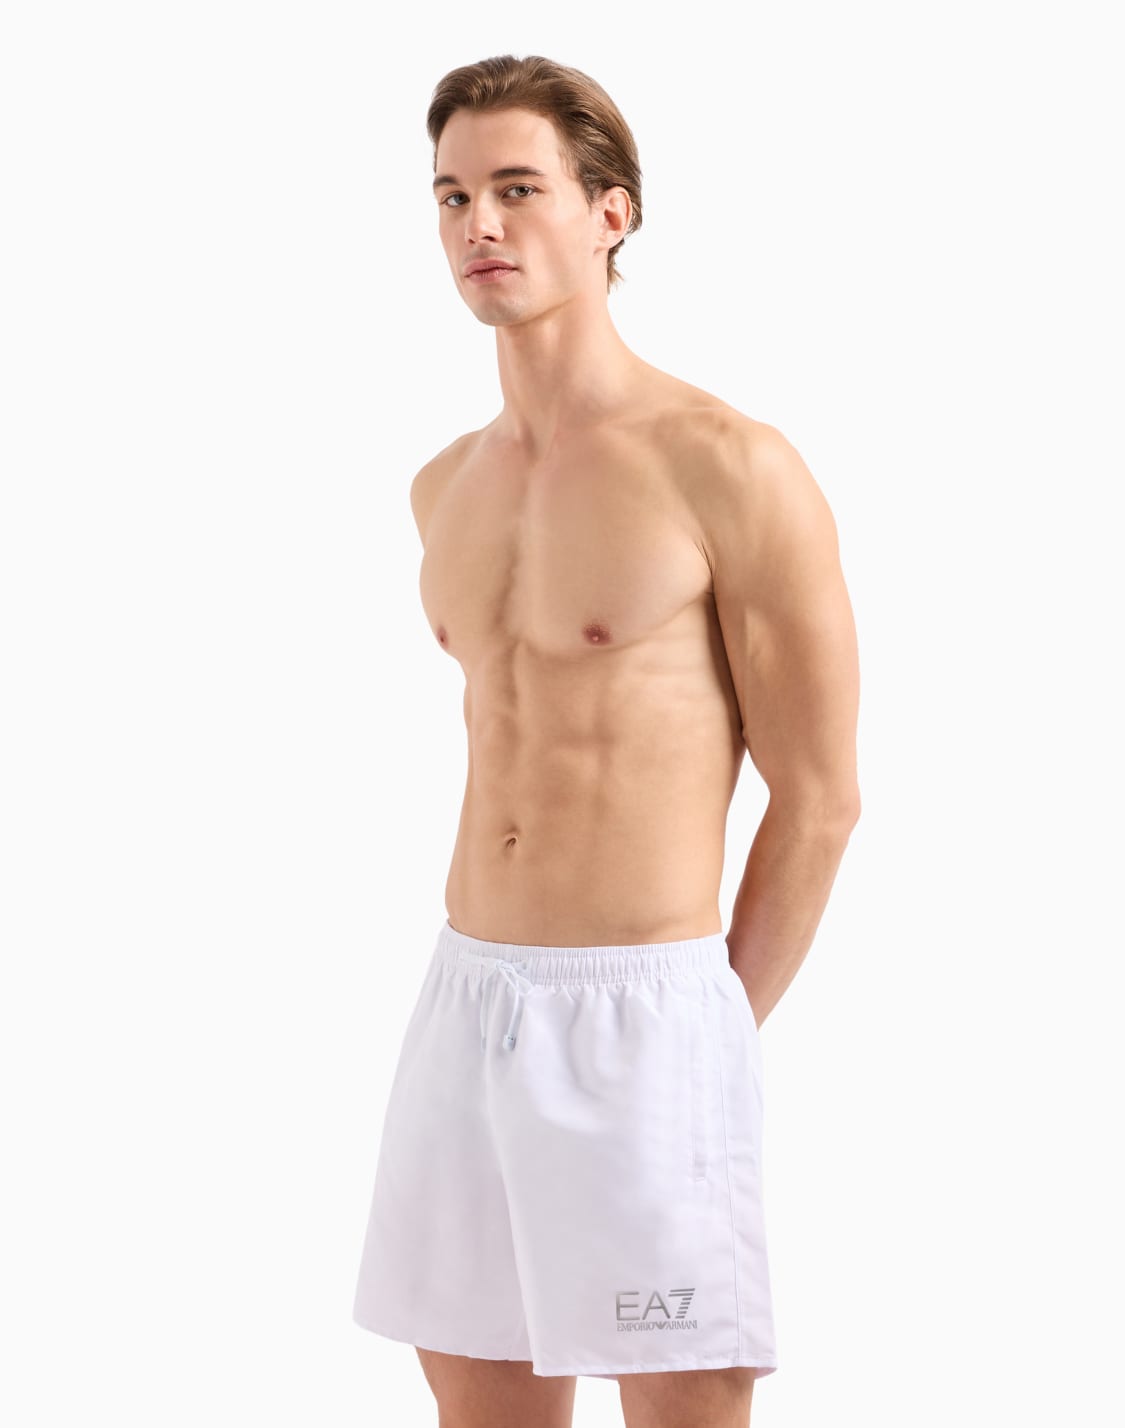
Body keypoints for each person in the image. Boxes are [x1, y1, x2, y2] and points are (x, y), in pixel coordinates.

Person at [352, 53, 861, 1428]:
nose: (479, 225)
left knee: (682, 1399)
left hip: (649, 1011)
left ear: (610, 213)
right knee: (476, 1401)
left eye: (518, 189)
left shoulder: (726, 463)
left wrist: (712, 1035)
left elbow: (819, 798)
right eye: (452, 195)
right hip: (467, 997)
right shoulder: (443, 487)